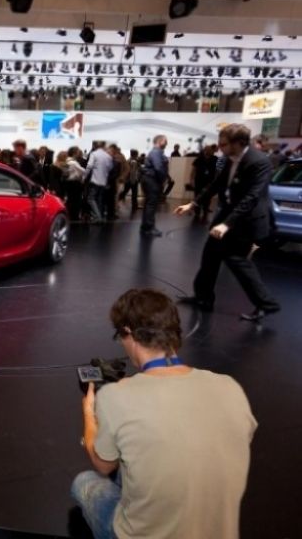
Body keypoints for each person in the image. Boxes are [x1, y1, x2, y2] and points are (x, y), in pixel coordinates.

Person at [72, 288, 256, 539]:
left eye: (120, 336)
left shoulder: (116, 396)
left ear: (128, 333)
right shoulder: (230, 387)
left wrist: (88, 411)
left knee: (84, 482)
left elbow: (102, 465)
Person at [174, 124, 281, 321]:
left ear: (239, 143)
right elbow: (216, 185)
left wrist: (227, 224)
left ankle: (267, 303)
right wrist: (194, 203)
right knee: (210, 256)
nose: (219, 147)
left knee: (237, 260)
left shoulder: (259, 162)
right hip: (228, 215)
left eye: (223, 144)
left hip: (246, 220)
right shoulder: (230, 159)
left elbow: (251, 198)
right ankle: (203, 298)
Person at [139, 135, 169, 237]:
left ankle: (146, 227)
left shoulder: (155, 152)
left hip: (150, 180)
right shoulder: (156, 152)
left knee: (149, 204)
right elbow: (158, 168)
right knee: (151, 205)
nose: (167, 142)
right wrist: (162, 180)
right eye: (165, 141)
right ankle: (148, 228)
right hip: (152, 181)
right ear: (160, 141)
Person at [84, 141, 114, 224]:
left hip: (95, 180)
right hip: (104, 181)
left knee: (90, 199)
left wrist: (84, 176)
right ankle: (98, 217)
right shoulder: (108, 156)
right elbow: (110, 168)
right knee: (99, 200)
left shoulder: (94, 154)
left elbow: (89, 166)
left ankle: (98, 217)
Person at [64, 146, 86, 221]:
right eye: (77, 152)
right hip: (74, 183)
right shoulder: (73, 162)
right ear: (74, 153)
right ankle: (74, 216)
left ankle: (70, 215)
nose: (78, 153)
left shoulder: (67, 160)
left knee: (70, 200)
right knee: (75, 201)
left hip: (69, 183)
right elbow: (83, 171)